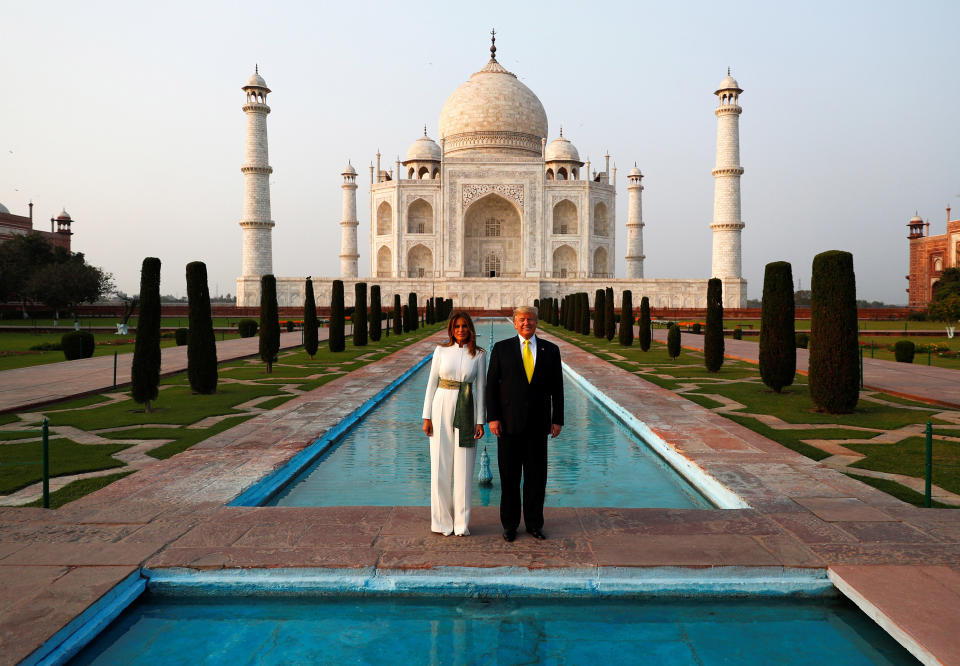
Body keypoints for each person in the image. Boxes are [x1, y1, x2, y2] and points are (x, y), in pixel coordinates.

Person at [486, 306, 563, 542]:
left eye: (529, 319)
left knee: (536, 478)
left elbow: (557, 388)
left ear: (536, 322)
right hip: (508, 424)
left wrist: (557, 419)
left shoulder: (550, 350)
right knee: (509, 478)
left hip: (538, 425)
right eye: (521, 319)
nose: (526, 323)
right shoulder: (502, 348)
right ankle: (509, 525)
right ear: (514, 323)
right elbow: (491, 386)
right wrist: (493, 417)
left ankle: (534, 524)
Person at [421, 312, 486, 536]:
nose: (461, 330)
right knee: (440, 466)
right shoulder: (441, 351)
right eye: (457, 326)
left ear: (470, 329)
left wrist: (480, 421)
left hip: (467, 408)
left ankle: (461, 524)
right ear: (451, 329)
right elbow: (431, 384)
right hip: (441, 406)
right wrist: (426, 416)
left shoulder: (478, 354)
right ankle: (441, 522)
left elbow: (481, 389)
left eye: (465, 326)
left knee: (464, 469)